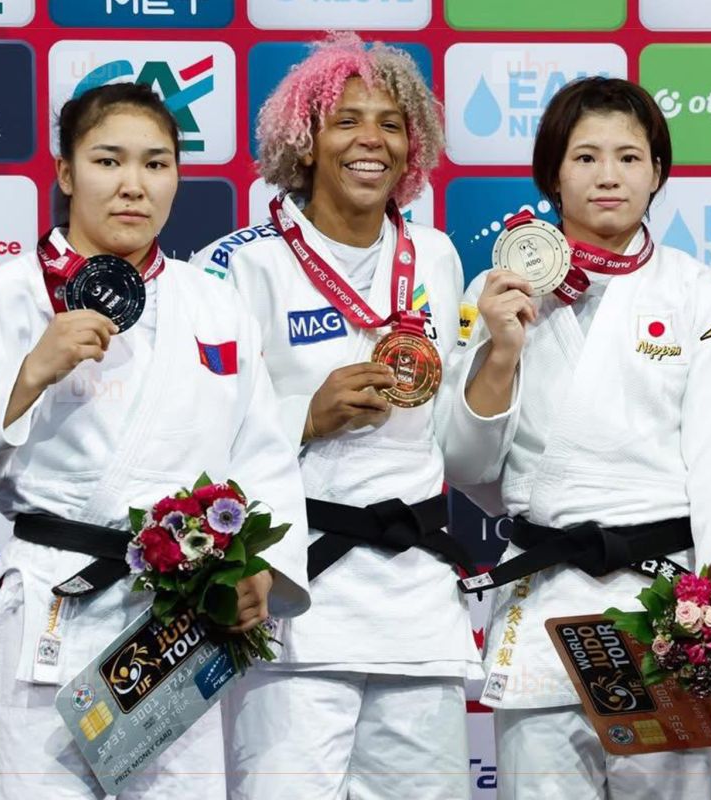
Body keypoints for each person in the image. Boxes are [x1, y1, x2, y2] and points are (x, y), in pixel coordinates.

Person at [0, 82, 311, 798]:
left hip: (178, 622)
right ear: (66, 174)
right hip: (53, 608)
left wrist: (264, 569)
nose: (134, 185)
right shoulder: (7, 294)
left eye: (156, 164)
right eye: (108, 161)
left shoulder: (213, 303)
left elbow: (262, 454)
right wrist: (30, 372)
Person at [442, 76, 711, 799]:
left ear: (657, 173)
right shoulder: (498, 290)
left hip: (663, 603)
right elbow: (465, 463)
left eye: (629, 157)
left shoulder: (699, 292)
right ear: (552, 174)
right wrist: (500, 349)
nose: (608, 176)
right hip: (545, 596)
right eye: (585, 157)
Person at [191, 33, 478, 800]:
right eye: (346, 120)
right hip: (295, 605)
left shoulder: (437, 256)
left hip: (417, 608)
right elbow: (191, 428)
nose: (370, 140)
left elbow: (451, 429)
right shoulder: (239, 264)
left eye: (390, 123)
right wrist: (303, 417)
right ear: (305, 139)